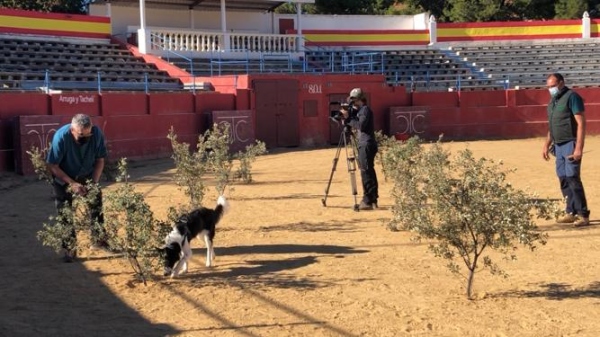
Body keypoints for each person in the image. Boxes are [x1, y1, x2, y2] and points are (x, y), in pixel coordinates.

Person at [46, 113, 109, 262]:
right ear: (72, 130)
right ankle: (70, 248)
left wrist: (93, 182)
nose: (85, 138)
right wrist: (72, 183)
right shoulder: (61, 137)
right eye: (81, 135)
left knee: (96, 204)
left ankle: (98, 239)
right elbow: (52, 165)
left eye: (88, 134)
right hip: (64, 175)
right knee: (65, 211)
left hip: (86, 173)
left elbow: (100, 160)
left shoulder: (96, 134)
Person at [542, 73, 590, 227]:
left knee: (572, 178)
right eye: (548, 87)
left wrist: (578, 148)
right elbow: (552, 126)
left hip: (570, 142)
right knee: (563, 178)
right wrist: (546, 144)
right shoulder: (553, 102)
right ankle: (570, 212)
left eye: (553, 86)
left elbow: (581, 123)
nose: (551, 89)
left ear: (561, 83)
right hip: (558, 145)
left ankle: (583, 215)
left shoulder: (572, 97)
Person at [341, 88, 379, 210]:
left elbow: (361, 126)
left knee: (366, 171)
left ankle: (369, 200)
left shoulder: (365, 110)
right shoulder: (360, 111)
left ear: (360, 99)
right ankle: (370, 199)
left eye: (354, 99)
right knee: (366, 171)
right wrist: (349, 116)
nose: (352, 101)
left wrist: (348, 119)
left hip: (367, 144)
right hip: (364, 144)